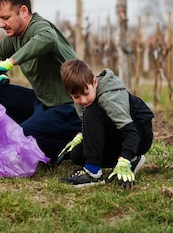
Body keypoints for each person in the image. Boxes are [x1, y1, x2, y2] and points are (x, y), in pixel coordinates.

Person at [0, 0, 81, 160]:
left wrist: (9, 63)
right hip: (43, 102)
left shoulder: (39, 27)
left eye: (5, 18)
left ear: (23, 11)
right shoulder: (15, 36)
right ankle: (34, 130)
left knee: (22, 135)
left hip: (69, 109)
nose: (1, 24)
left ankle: (68, 144)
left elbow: (48, 38)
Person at [57, 59, 154, 188]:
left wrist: (124, 160)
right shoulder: (84, 98)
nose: (83, 100)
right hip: (118, 134)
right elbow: (95, 125)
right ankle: (133, 160)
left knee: (91, 110)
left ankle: (94, 173)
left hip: (139, 134)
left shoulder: (109, 98)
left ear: (94, 82)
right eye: (76, 97)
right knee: (77, 155)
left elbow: (131, 132)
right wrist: (81, 135)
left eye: (86, 94)